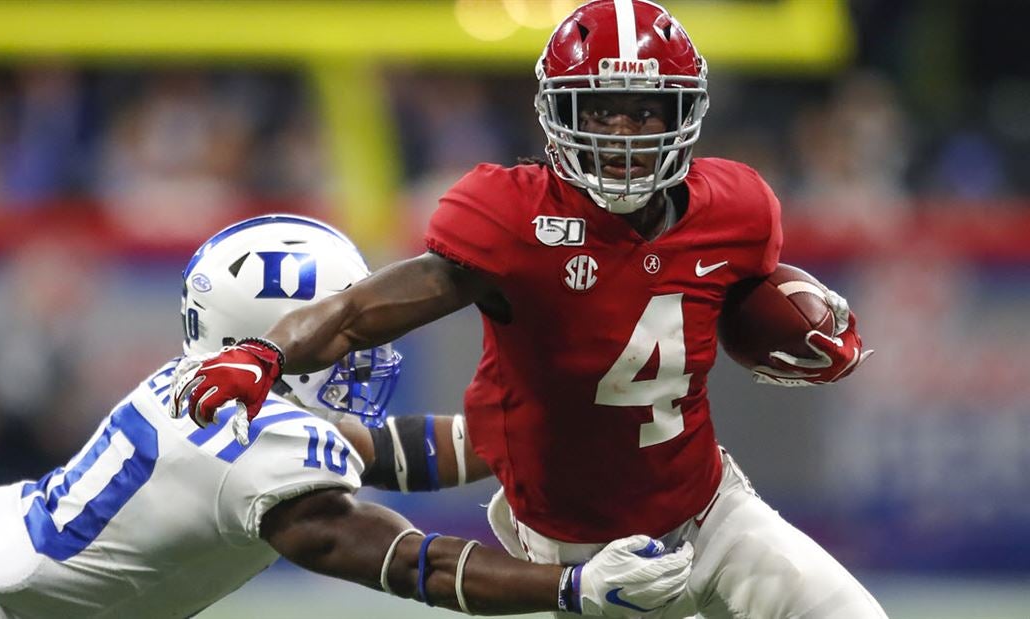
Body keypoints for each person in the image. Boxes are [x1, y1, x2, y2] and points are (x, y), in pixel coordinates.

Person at [171, 2, 886, 618]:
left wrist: (812, 328)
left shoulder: (738, 209)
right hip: (563, 551)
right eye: (601, 109)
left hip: (710, 512)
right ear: (557, 113)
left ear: (685, 113)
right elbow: (361, 310)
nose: (625, 136)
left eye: (645, 110)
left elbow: (748, 305)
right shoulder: (512, 218)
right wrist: (267, 352)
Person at [0, 215, 693, 619]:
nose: (352, 339)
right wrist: (574, 587)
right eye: (338, 323)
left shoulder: (224, 395)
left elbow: (385, 449)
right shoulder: (251, 449)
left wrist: (545, 430)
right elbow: (415, 564)